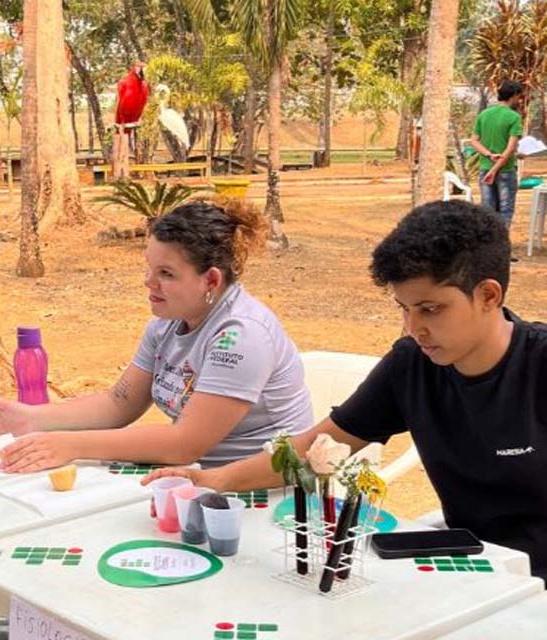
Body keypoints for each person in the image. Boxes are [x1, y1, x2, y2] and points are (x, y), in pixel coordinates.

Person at [143, 200, 547, 582]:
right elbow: (316, 447)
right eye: (404, 308)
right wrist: (214, 479)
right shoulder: (412, 365)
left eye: (431, 309)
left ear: (488, 295)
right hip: (481, 571)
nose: (414, 328)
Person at [0, 199, 313, 473]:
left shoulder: (241, 337)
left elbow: (183, 444)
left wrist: (71, 445)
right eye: (149, 267)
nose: (149, 282)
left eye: (166, 273)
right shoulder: (167, 323)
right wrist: (33, 418)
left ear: (211, 280)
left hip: (262, 488)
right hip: (199, 477)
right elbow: (118, 403)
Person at [469, 80, 524, 229]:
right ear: (513, 95)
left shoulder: (484, 114)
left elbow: (474, 141)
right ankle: (500, 241)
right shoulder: (514, 117)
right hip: (505, 170)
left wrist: (489, 155)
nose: (519, 100)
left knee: (487, 212)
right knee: (505, 211)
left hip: (485, 168)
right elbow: (509, 149)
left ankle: (487, 242)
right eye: (519, 96)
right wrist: (494, 170)